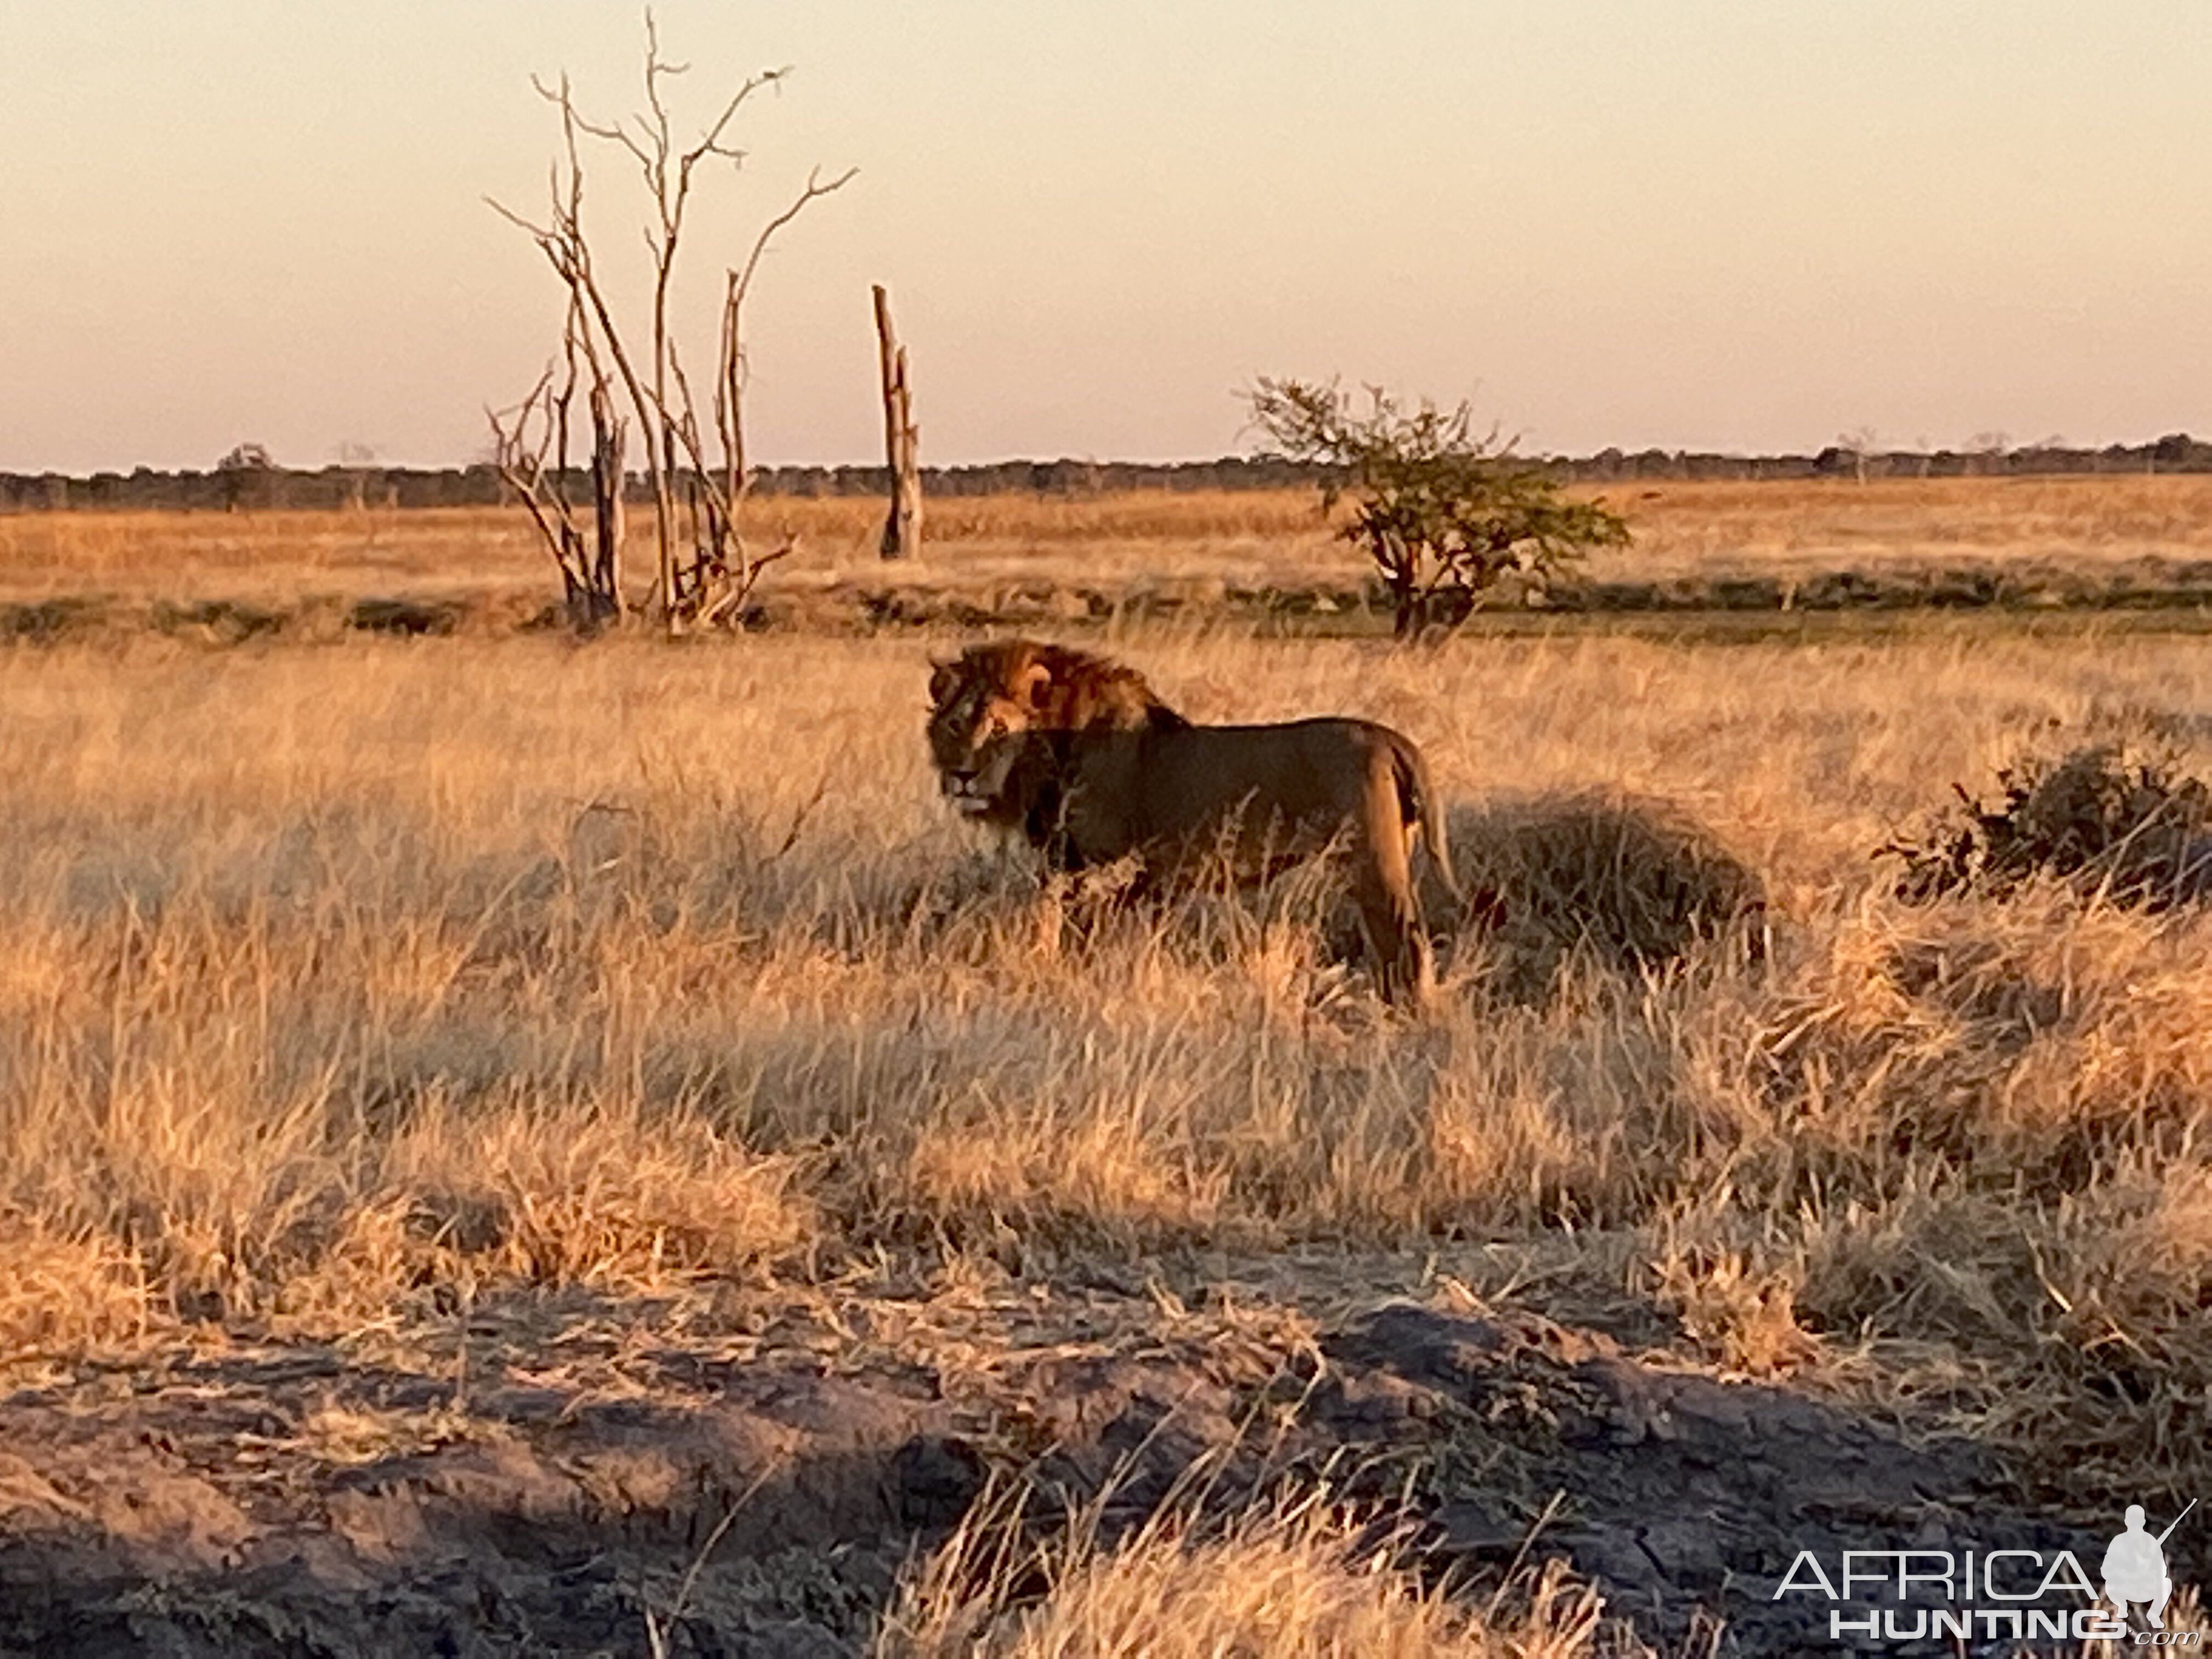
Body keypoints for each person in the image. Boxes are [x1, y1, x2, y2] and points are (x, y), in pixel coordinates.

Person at [2103, 1505, 2173, 1629]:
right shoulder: (2118, 1541)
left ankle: (2154, 1614)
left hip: (2145, 1586)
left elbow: (2163, 1569)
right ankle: (2121, 1609)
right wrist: (2125, 1572)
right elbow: (2106, 1569)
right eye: (2132, 1521)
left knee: (2167, 1584)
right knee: (2110, 1584)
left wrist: (2149, 1570)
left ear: (2144, 1522)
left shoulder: (2151, 1542)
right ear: (2126, 1522)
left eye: (2138, 1521)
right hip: (2124, 1587)